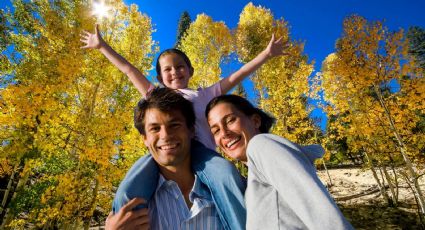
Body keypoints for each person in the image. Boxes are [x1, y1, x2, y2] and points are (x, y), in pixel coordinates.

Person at [205, 94, 354, 230]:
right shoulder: (254, 177)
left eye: (230, 120)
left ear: (255, 121)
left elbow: (326, 219)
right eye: (216, 130)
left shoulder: (261, 145)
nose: (224, 133)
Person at [106, 88, 246, 229]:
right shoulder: (132, 211)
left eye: (174, 125)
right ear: (145, 139)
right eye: (155, 129)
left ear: (191, 130)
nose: (165, 135)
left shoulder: (233, 191)